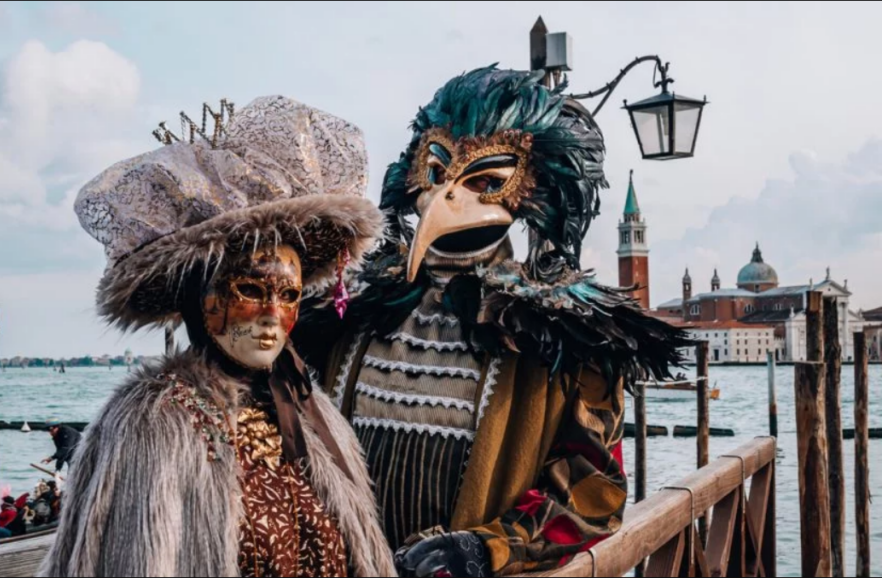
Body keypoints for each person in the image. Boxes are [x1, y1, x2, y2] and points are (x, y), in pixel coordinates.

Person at [294, 66, 689, 577]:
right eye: (437, 173)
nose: (448, 197)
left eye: (486, 181)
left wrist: (487, 550)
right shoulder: (349, 309)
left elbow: (594, 492)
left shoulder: (563, 335)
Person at [39, 96, 394, 577]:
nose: (273, 313)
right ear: (196, 298)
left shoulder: (310, 408)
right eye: (249, 289)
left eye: (288, 295)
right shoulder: (154, 424)